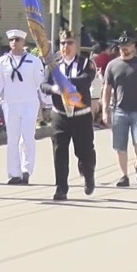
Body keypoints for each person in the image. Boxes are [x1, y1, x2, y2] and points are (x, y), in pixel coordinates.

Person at [41, 28, 98, 200]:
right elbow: (44, 85)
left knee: (85, 152)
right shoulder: (53, 66)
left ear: (76, 45)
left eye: (70, 43)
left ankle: (88, 174)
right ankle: (61, 188)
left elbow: (85, 80)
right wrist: (54, 88)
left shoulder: (86, 63)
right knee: (59, 152)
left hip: (81, 115)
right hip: (60, 115)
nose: (66, 46)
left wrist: (64, 82)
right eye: (63, 43)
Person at [0, 29, 46, 184]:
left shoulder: (33, 61)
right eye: (12, 40)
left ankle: (26, 170)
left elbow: (41, 83)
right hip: (10, 103)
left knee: (27, 137)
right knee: (12, 138)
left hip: (29, 103)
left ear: (23, 42)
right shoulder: (2, 61)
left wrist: (47, 102)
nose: (14, 42)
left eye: (18, 40)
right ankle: (14, 173)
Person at [102, 31, 137, 187]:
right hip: (119, 109)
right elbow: (107, 89)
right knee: (120, 145)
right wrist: (105, 110)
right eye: (122, 46)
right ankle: (124, 175)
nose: (124, 48)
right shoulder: (112, 66)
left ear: (134, 47)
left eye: (127, 45)